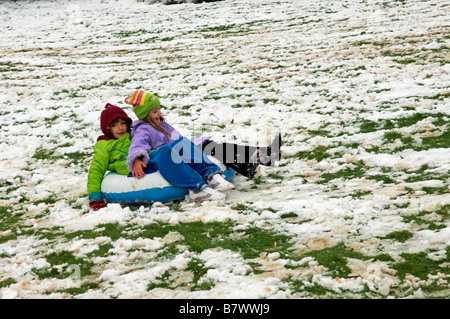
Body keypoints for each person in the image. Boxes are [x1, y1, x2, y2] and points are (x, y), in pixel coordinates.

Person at [125, 91, 235, 202]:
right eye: (155, 111)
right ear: (145, 115)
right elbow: (137, 144)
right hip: (159, 158)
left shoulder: (162, 125)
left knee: (181, 141)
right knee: (166, 149)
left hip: (173, 155)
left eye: (159, 109)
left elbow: (177, 139)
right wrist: (136, 159)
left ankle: (211, 175)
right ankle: (197, 189)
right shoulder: (142, 129)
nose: (159, 113)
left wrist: (191, 143)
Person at [87, 103, 133, 211]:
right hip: (125, 170)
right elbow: (96, 169)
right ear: (107, 128)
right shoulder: (104, 145)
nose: (120, 128)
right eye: (114, 125)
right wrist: (95, 196)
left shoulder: (133, 136)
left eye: (123, 123)